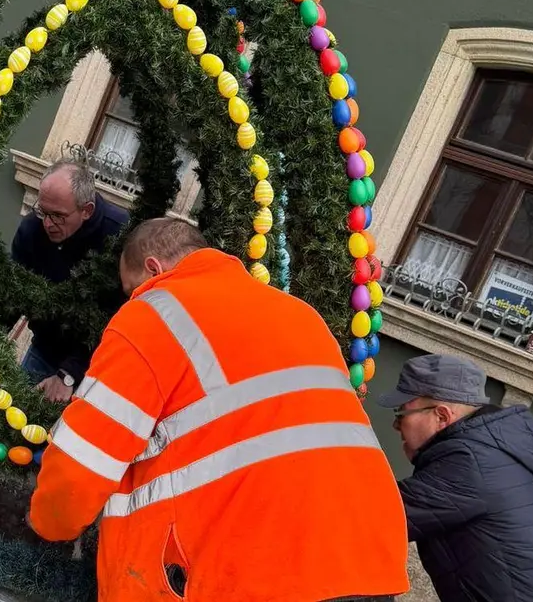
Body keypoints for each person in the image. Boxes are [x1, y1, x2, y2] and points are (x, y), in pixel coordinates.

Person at [28, 218, 409, 602]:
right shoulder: (299, 315)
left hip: (260, 571)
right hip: (367, 558)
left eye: (132, 290)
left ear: (153, 270)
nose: (133, 300)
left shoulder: (153, 314)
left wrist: (47, 522)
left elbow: (85, 458)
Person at [380, 353, 533, 602]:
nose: (396, 425)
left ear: (442, 417)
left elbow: (371, 516)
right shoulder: (486, 452)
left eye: (401, 414)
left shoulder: (470, 463)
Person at [9, 159, 127, 402]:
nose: (48, 223)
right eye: (43, 211)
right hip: (44, 350)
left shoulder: (120, 235)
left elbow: (116, 318)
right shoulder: (32, 229)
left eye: (58, 216)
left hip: (98, 368)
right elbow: (10, 292)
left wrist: (69, 373)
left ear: (87, 210)